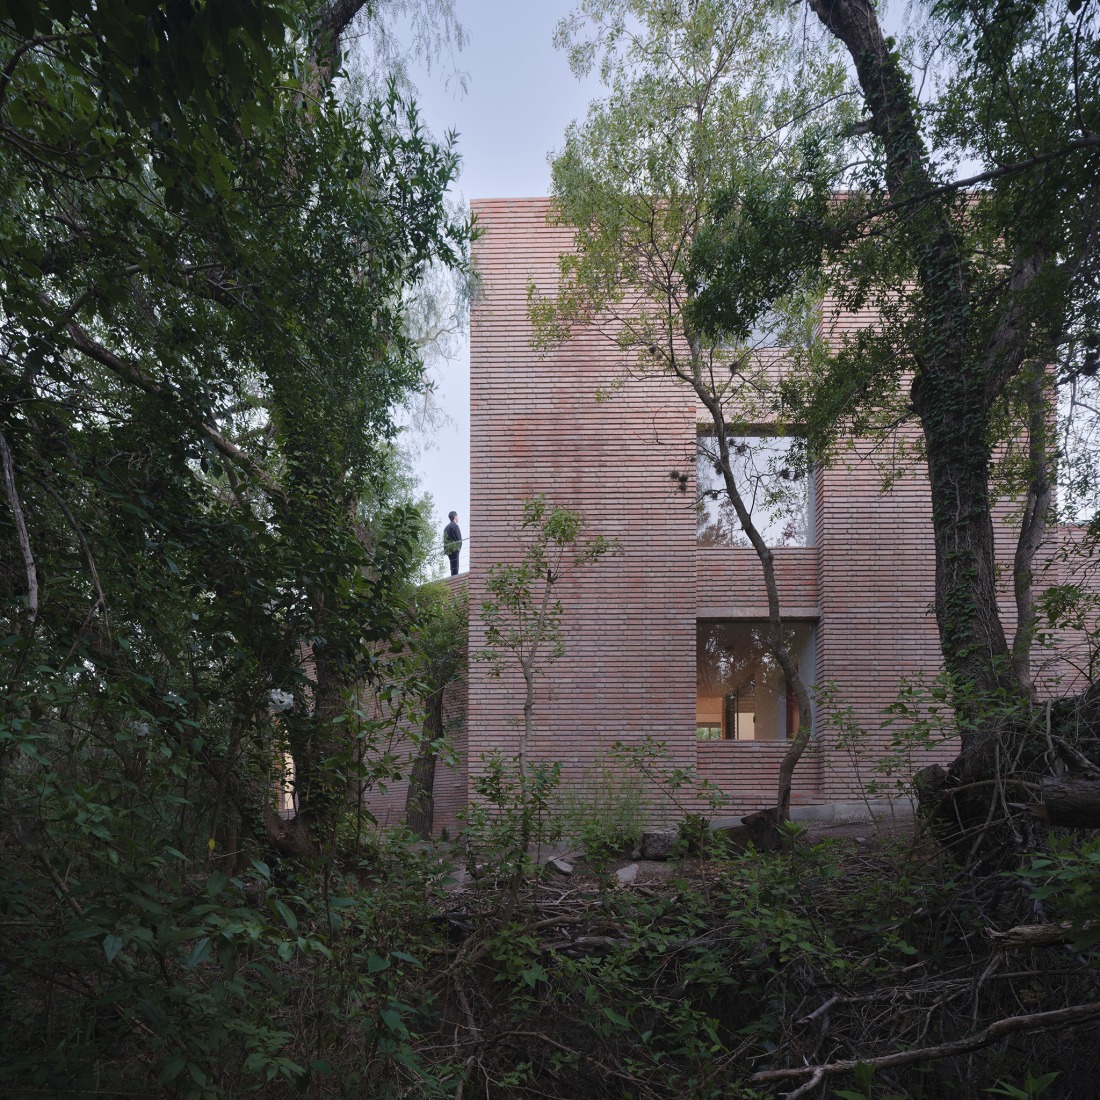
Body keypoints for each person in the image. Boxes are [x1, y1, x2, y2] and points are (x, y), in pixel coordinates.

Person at [443, 511, 462, 576]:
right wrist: (459, 548)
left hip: (448, 549)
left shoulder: (446, 528)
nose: (458, 518)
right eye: (457, 516)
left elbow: (444, 540)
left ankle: (453, 577)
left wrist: (446, 550)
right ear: (455, 517)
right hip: (455, 548)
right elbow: (459, 538)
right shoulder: (455, 526)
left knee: (452, 565)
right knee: (456, 566)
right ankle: (455, 578)